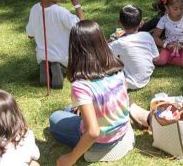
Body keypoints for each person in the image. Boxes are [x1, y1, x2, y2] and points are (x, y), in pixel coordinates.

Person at [49, 21, 135, 164]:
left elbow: (93, 132)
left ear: (75, 48)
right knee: (70, 110)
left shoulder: (81, 86)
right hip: (120, 130)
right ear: (101, 42)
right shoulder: (117, 69)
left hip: (101, 141)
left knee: (55, 118)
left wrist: (70, 158)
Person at [26, 0, 84, 89]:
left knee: (49, 54)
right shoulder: (61, 12)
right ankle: (63, 68)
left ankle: (47, 65)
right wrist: (77, 4)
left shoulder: (34, 9)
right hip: (64, 56)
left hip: (43, 55)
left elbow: (30, 35)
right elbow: (83, 28)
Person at [108, 5, 159, 90]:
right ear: (141, 23)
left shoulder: (120, 43)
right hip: (147, 76)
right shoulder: (147, 35)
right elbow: (156, 58)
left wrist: (112, 38)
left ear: (119, 23)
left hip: (130, 81)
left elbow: (101, 51)